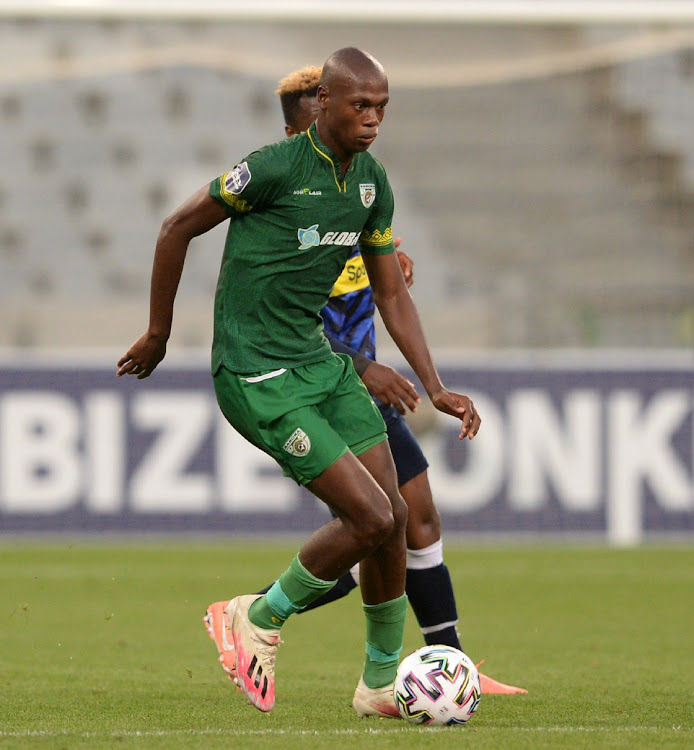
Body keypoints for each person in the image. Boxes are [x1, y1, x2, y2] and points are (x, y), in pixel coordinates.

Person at [117, 47, 481, 718]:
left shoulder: (371, 183)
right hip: (257, 373)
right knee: (367, 515)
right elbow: (175, 228)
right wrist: (158, 333)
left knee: (394, 518)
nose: (373, 120)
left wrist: (434, 385)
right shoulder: (272, 169)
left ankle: (377, 685)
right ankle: (256, 614)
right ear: (323, 104)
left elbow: (391, 291)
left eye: (382, 108)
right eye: (360, 106)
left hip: (318, 363)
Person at [250, 65, 525, 696]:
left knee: (410, 518)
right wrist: (362, 364)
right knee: (383, 528)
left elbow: (374, 277)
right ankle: (253, 611)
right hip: (321, 389)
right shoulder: (286, 204)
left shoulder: (356, 194)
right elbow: (285, 323)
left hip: (360, 390)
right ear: (303, 124)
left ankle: (448, 665)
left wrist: (388, 271)